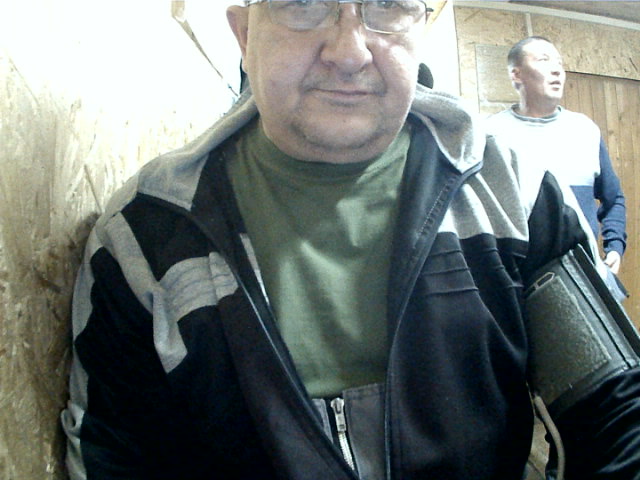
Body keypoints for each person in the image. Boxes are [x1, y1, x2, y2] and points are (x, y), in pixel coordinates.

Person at [60, 3, 640, 479]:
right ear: (244, 34)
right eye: (302, 4)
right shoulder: (146, 235)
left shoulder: (515, 192)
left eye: (387, 5)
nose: (349, 51)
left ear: (421, 29)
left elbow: (617, 410)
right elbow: (115, 457)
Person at [486, 36, 627, 276]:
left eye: (559, 63)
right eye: (543, 60)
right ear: (516, 75)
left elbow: (613, 199)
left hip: (584, 274)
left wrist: (614, 246)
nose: (557, 70)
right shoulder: (491, 134)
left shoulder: (585, 130)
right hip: (517, 277)